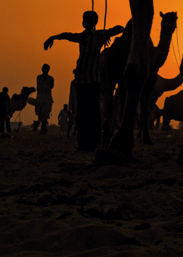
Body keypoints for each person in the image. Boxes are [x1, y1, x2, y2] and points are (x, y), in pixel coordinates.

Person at [44, 11, 124, 152]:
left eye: (88, 19)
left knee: (92, 113)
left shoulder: (99, 35)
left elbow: (116, 29)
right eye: (84, 18)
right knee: (81, 114)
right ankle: (83, 144)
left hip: (92, 81)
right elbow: (66, 35)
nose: (85, 21)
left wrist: (123, 30)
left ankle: (94, 143)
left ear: (94, 22)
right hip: (80, 81)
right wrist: (52, 38)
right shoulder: (81, 37)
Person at [35, 64, 54, 134]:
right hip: (40, 97)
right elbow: (38, 86)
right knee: (40, 114)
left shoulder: (51, 78)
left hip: (47, 98)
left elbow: (52, 86)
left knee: (44, 113)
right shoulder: (38, 77)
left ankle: (43, 129)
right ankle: (43, 129)